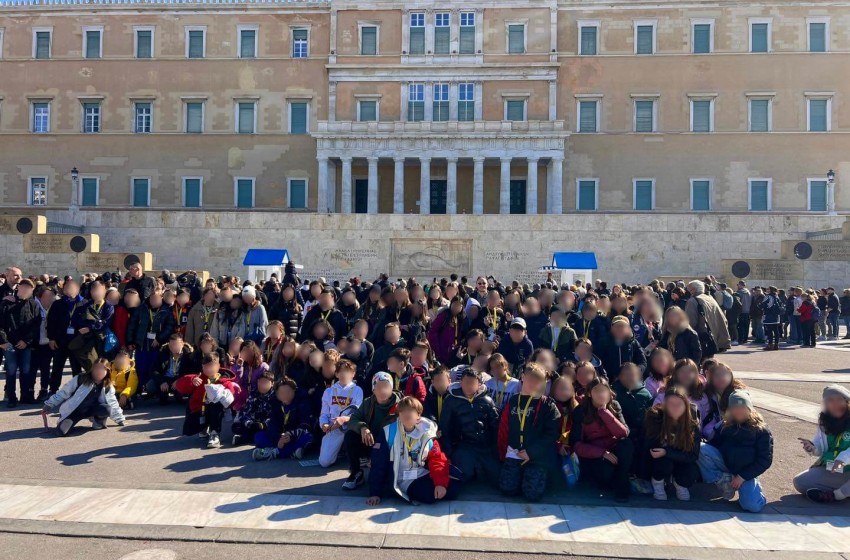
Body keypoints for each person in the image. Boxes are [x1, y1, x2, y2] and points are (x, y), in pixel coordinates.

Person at [367, 396, 461, 505]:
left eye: (410, 410)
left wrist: (440, 484)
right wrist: (375, 493)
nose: (406, 414)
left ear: (418, 415)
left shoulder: (427, 432)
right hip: (402, 477)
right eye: (402, 411)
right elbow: (378, 463)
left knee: (454, 487)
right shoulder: (388, 432)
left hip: (422, 472)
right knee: (429, 495)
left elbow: (437, 459)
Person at [697, 390, 773, 512]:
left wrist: (742, 477)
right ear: (730, 410)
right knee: (700, 449)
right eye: (734, 407)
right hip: (726, 466)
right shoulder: (723, 426)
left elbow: (765, 460)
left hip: (746, 473)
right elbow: (712, 447)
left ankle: (757, 494)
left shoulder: (762, 431)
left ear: (749, 408)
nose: (738, 410)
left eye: (742, 407)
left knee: (752, 506)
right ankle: (723, 480)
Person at [497, 363, 560, 501]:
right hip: (515, 452)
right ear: (522, 377)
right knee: (507, 490)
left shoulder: (548, 405)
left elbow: (551, 435)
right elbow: (503, 428)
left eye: (538, 380)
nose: (533, 383)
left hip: (536, 456)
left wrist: (531, 452)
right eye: (530, 379)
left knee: (533, 495)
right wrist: (504, 451)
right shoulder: (513, 401)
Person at [570, 377, 633, 502]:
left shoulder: (614, 405)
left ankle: (622, 486)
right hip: (594, 453)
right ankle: (604, 483)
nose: (601, 394)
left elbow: (623, 433)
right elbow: (577, 444)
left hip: (614, 447)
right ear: (589, 393)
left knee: (626, 444)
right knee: (606, 469)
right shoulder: (581, 410)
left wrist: (604, 412)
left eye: (604, 390)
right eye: (597, 391)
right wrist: (602, 452)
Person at [438, 367, 501, 484]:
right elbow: (445, 427)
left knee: (497, 479)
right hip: (464, 445)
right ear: (460, 382)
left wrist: (495, 449)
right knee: (462, 476)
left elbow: (495, 427)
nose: (469, 386)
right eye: (466, 382)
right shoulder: (451, 401)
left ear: (479, 385)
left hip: (484, 446)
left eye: (472, 383)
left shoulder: (487, 401)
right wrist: (448, 452)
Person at [342, 372, 401, 490]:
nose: (382, 390)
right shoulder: (368, 402)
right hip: (371, 441)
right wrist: (363, 427)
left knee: (383, 483)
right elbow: (354, 419)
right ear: (373, 389)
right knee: (350, 436)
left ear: (391, 388)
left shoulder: (401, 405)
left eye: (386, 386)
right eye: (378, 387)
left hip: (391, 446)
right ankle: (356, 473)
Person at [643, 386, 701, 501]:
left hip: (679, 457)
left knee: (691, 471)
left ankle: (679, 483)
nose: (675, 408)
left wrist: (668, 452)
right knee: (664, 464)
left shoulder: (692, 424)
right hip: (659, 459)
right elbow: (650, 447)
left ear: (686, 405)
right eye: (671, 404)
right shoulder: (655, 418)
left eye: (679, 404)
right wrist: (664, 451)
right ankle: (657, 482)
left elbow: (693, 455)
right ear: (664, 404)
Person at [794, 385, 850, 503]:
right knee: (800, 482)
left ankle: (837, 495)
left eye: (839, 400)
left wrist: (842, 459)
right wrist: (813, 447)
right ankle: (845, 490)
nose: (835, 404)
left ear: (847, 401)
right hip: (836, 469)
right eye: (830, 401)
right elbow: (822, 446)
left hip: (842, 463)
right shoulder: (825, 421)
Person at [42, 358, 125, 436]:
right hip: (75, 411)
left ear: (107, 371)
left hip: (92, 410)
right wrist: (49, 404)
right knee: (61, 432)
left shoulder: (107, 386)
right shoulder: (80, 379)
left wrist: (119, 419)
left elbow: (113, 402)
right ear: (92, 369)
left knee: (107, 409)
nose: (99, 371)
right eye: (97, 368)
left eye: (102, 369)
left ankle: (98, 421)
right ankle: (66, 423)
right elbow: (63, 392)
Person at [173, 353, 237, 449]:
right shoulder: (199, 378)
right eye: (205, 367)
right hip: (199, 411)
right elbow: (179, 386)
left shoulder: (224, 380)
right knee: (192, 424)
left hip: (216, 411)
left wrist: (225, 395)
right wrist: (191, 381)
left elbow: (231, 400)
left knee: (215, 404)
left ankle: (215, 433)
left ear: (218, 366)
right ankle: (203, 428)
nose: (208, 369)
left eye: (211, 366)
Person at [252, 376, 314, 460]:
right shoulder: (276, 402)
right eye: (281, 393)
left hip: (293, 435)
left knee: (309, 437)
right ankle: (291, 452)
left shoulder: (303, 402)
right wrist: (278, 440)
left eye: (288, 392)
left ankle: (273, 452)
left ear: (294, 391)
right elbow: (272, 423)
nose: (285, 395)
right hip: (280, 437)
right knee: (258, 436)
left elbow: (306, 425)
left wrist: (290, 436)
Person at [0, 278, 40, 406]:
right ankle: (11, 397)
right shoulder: (6, 303)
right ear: (18, 287)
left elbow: (36, 325)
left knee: (26, 370)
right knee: (11, 370)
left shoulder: (33, 304)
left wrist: (27, 341)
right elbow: (1, 324)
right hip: (9, 344)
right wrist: (4, 341)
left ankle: (25, 396)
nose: (26, 290)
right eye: (24, 287)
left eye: (29, 288)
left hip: (25, 344)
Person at [318, 358, 364, 467]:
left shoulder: (357, 390)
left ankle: (357, 453)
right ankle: (337, 450)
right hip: (333, 428)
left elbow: (358, 413)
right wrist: (324, 424)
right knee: (324, 462)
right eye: (341, 371)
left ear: (353, 374)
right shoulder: (329, 391)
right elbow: (324, 412)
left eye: (347, 371)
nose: (344, 374)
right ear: (336, 374)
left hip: (350, 427)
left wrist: (344, 419)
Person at [46, 279, 85, 396]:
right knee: (57, 367)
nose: (70, 290)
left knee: (76, 368)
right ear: (63, 289)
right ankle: (53, 390)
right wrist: (51, 338)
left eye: (73, 288)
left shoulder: (84, 303)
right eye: (67, 287)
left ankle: (78, 390)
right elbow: (51, 322)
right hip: (60, 340)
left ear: (78, 290)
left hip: (77, 341)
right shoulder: (58, 304)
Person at [232, 369, 275, 447]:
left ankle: (246, 438)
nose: (262, 385)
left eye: (265, 382)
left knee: (272, 429)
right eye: (260, 382)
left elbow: (275, 415)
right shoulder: (253, 393)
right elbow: (246, 411)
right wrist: (250, 423)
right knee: (236, 427)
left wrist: (263, 425)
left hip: (266, 424)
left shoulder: (274, 396)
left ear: (272, 384)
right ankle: (250, 435)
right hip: (253, 422)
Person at [149, 333, 193, 404]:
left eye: (177, 344)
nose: (174, 347)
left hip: (180, 378)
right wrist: (162, 381)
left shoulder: (188, 355)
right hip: (166, 378)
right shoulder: (163, 353)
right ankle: (162, 394)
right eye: (172, 345)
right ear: (169, 345)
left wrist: (179, 380)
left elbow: (190, 372)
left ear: (182, 344)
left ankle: (179, 394)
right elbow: (154, 370)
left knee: (179, 396)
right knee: (150, 386)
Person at [760, 286, 782, 351]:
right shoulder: (777, 296)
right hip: (776, 315)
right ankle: (776, 344)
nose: (767, 290)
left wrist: (760, 305)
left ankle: (770, 345)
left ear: (770, 290)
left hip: (769, 315)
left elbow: (763, 305)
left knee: (769, 330)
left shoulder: (768, 296)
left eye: (768, 289)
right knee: (776, 330)